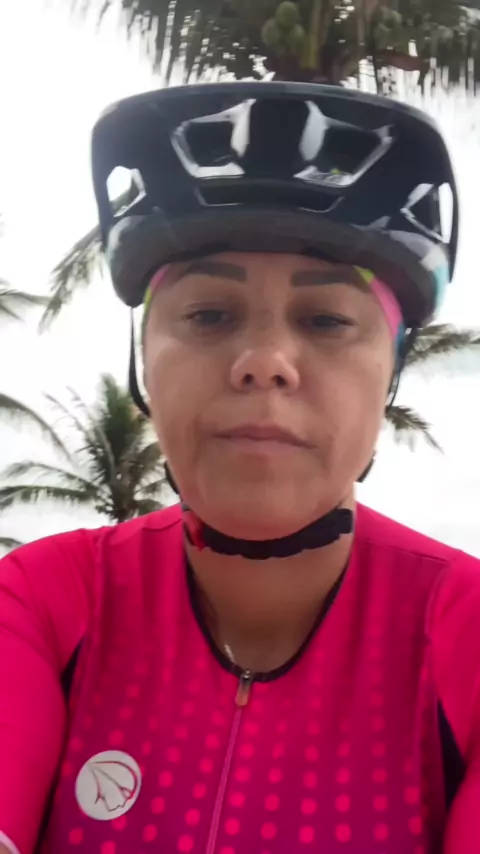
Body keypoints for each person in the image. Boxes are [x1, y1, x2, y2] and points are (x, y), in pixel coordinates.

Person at [0, 82, 479, 854]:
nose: (264, 362)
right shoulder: (41, 601)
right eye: (209, 314)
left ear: (389, 379)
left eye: (327, 320)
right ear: (144, 364)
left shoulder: (465, 631)